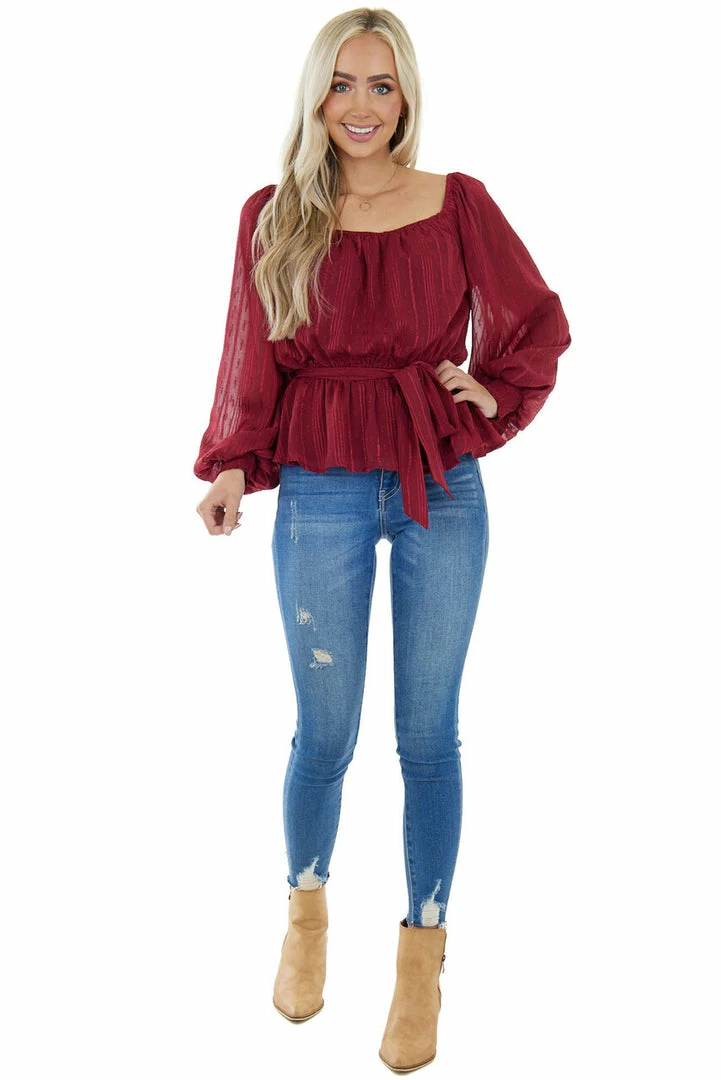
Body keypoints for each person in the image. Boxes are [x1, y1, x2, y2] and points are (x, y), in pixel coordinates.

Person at [194, 7, 571, 1073]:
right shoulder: (275, 213)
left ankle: (420, 962)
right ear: (316, 95)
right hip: (318, 481)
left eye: (381, 84)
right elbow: (249, 353)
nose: (360, 106)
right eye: (342, 84)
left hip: (438, 481)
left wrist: (486, 388)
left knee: (428, 736)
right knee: (323, 734)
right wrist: (233, 463)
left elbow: (534, 321)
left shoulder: (459, 203)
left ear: (405, 96)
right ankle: (306, 919)